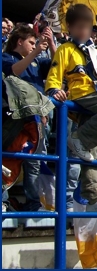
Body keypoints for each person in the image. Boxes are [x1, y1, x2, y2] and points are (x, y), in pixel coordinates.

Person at [45, 4, 97, 213]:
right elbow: (55, 74)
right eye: (79, 27)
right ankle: (79, 139)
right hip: (82, 95)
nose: (83, 31)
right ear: (70, 27)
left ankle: (94, 196)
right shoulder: (65, 49)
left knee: (93, 149)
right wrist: (54, 90)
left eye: (87, 27)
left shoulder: (95, 52)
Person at [2, 24, 56, 211]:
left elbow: (57, 65)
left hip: (36, 120)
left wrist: (50, 43)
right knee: (8, 158)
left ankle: (33, 203)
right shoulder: (6, 57)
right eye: (31, 42)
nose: (34, 46)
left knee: (34, 162)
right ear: (19, 41)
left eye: (35, 43)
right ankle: (4, 201)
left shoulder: (36, 63)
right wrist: (36, 52)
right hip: (13, 118)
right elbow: (13, 71)